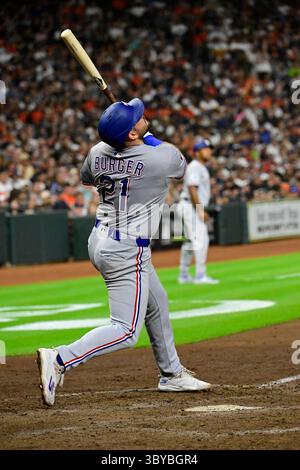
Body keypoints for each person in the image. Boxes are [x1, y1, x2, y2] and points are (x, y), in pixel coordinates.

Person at [37, 98, 211, 406]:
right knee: (126, 330)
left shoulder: (95, 151)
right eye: (138, 118)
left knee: (157, 303)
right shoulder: (157, 158)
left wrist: (124, 139)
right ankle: (61, 359)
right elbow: (179, 164)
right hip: (127, 248)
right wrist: (146, 138)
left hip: (100, 239)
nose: (143, 116)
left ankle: (172, 375)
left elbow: (88, 177)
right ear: (131, 134)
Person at [178, 138, 219, 284]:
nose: (209, 151)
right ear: (197, 152)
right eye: (205, 148)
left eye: (209, 148)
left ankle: (183, 275)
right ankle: (200, 275)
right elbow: (192, 187)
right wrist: (200, 210)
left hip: (188, 205)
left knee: (190, 241)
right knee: (201, 239)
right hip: (191, 206)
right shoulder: (195, 166)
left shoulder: (200, 167)